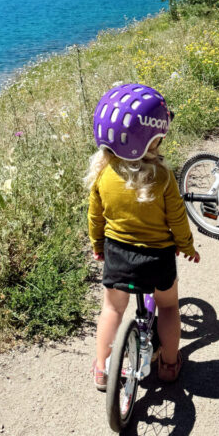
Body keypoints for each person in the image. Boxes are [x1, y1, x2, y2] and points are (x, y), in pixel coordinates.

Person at [86, 83, 199, 390]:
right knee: (168, 307)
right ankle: (169, 363)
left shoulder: (103, 175)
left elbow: (95, 217)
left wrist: (98, 245)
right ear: (150, 140)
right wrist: (186, 245)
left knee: (111, 309)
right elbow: (177, 216)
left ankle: (101, 369)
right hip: (157, 258)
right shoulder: (161, 177)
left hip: (117, 254)